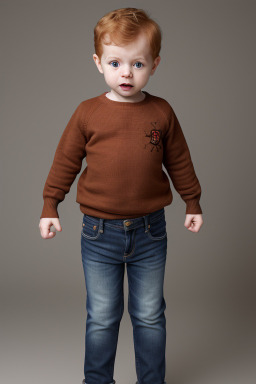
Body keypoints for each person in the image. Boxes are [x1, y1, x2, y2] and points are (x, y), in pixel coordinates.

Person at [39, 7, 203, 384]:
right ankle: (97, 381)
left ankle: (151, 380)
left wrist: (192, 201)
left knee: (148, 314)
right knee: (102, 315)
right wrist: (51, 205)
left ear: (154, 65)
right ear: (99, 63)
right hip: (98, 234)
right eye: (115, 62)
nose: (126, 73)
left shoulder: (162, 112)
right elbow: (65, 162)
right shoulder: (87, 113)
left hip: (150, 233)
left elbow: (179, 160)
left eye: (138, 64)